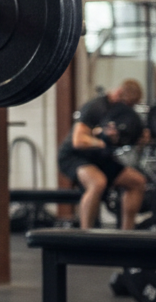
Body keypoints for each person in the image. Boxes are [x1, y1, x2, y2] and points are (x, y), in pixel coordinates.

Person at [58, 78, 149, 230]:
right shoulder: (95, 107)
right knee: (97, 182)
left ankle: (128, 236)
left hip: (99, 157)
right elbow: (78, 141)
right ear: (118, 93)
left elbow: (122, 136)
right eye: (128, 104)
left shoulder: (119, 113)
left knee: (137, 181)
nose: (128, 110)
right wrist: (102, 141)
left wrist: (139, 137)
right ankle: (85, 238)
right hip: (74, 156)